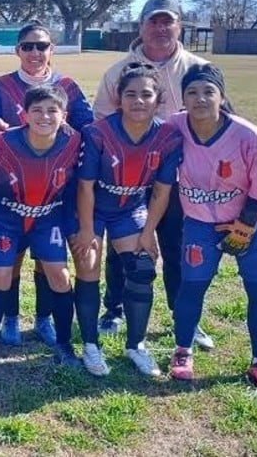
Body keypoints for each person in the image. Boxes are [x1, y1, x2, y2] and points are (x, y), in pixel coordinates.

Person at [93, 0, 214, 351]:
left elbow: (216, 117)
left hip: (181, 178)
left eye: (168, 21)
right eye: (153, 22)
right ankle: (113, 309)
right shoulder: (118, 72)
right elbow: (101, 121)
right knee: (122, 247)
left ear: (179, 25)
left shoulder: (197, 67)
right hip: (127, 178)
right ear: (141, 25)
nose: (161, 29)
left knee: (176, 246)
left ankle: (184, 317)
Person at [144, 64, 257, 389]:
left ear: (221, 96)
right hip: (200, 222)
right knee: (191, 286)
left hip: (253, 222)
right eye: (192, 92)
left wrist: (244, 226)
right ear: (183, 98)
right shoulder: (175, 127)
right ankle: (183, 350)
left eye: (208, 91)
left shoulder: (248, 134)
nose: (200, 99)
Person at [0, 22, 93, 347]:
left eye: (41, 46)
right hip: (12, 193)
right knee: (9, 261)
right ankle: (10, 317)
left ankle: (44, 318)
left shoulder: (67, 86)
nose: (35, 53)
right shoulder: (1, 86)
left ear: (51, 49)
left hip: (55, 191)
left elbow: (89, 129)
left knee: (49, 260)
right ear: (18, 50)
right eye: (27, 46)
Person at [68, 65, 181, 377]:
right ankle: (91, 345)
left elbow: (161, 191)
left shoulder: (168, 136)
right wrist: (88, 230)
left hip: (129, 210)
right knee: (88, 267)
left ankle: (136, 345)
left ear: (158, 99)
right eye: (130, 94)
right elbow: (85, 187)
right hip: (91, 210)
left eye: (146, 94)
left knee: (143, 269)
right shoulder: (97, 133)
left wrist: (148, 233)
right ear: (119, 98)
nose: (138, 101)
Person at [0, 84, 82, 375]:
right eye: (37, 110)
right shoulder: (1, 143)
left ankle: (64, 345)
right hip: (3, 218)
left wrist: (76, 225)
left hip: (47, 217)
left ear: (64, 115)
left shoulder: (75, 142)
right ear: (24, 114)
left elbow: (78, 184)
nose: (44, 116)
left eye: (52, 110)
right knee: (0, 274)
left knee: (60, 276)